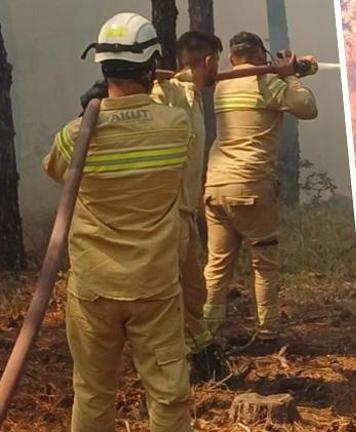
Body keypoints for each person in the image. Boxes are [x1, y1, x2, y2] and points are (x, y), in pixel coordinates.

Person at [45, 13, 192, 431]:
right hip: (155, 286)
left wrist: (92, 113)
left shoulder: (76, 135)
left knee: (92, 392)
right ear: (150, 68)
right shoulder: (175, 126)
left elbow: (54, 169)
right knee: (167, 395)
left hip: (95, 286)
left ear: (101, 69)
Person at [202, 31, 318, 341]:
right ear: (261, 56)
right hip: (251, 186)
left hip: (215, 186)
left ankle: (206, 334)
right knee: (264, 263)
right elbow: (307, 107)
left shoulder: (222, 83)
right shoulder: (266, 83)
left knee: (217, 266)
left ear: (231, 58)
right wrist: (290, 77)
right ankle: (268, 333)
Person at [151, 30, 224, 381]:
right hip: (166, 215)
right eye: (217, 64)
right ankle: (172, 369)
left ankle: (202, 353)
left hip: (186, 213)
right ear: (209, 62)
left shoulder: (193, 96)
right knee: (170, 294)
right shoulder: (166, 93)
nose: (218, 72)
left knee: (195, 291)